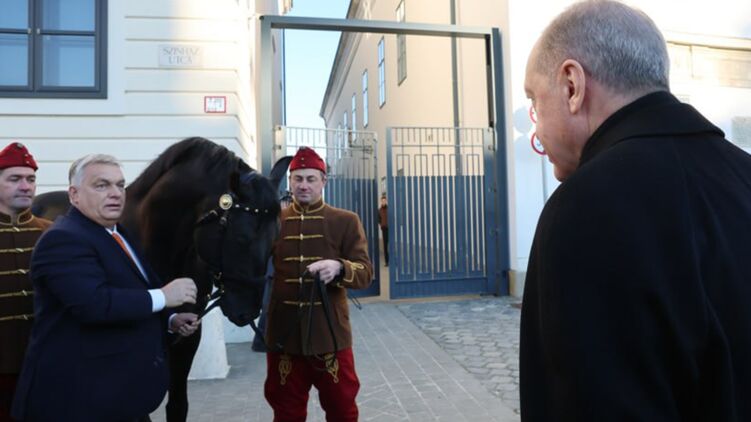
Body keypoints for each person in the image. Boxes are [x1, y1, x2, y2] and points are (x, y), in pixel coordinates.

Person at [520, 1, 751, 420]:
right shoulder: (744, 174)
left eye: (535, 100)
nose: (535, 128)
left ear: (572, 86)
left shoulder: (581, 209)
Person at [12, 154, 201, 422]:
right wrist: (163, 297)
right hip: (78, 401)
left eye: (120, 185)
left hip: (116, 395)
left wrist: (170, 320)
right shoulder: (63, 239)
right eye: (101, 185)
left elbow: (131, 289)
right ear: (74, 195)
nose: (115, 193)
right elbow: (94, 304)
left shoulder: (116, 232)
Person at [264, 147, 372, 421]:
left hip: (330, 335)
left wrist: (339, 267)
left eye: (311, 179)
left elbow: (365, 272)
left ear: (323, 181)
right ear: (290, 182)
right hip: (284, 336)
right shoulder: (273, 222)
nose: (304, 185)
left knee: (342, 410)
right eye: (298, 179)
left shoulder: (345, 221)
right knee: (285, 412)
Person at [0, 143, 52, 422]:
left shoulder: (52, 233)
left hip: (43, 362)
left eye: (30, 179)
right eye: (15, 179)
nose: (25, 186)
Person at [252, 190, 293, 353]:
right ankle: (260, 341)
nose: (287, 205)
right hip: (272, 270)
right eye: (285, 202)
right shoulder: (273, 222)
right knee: (268, 307)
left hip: (281, 269)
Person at [378, 194, 389, 266]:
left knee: (390, 246)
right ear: (381, 202)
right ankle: (386, 262)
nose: (383, 202)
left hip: (390, 229)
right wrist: (381, 224)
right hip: (384, 229)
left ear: (386, 201)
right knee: (385, 246)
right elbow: (378, 219)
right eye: (382, 201)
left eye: (384, 201)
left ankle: (392, 261)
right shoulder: (379, 210)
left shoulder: (389, 209)